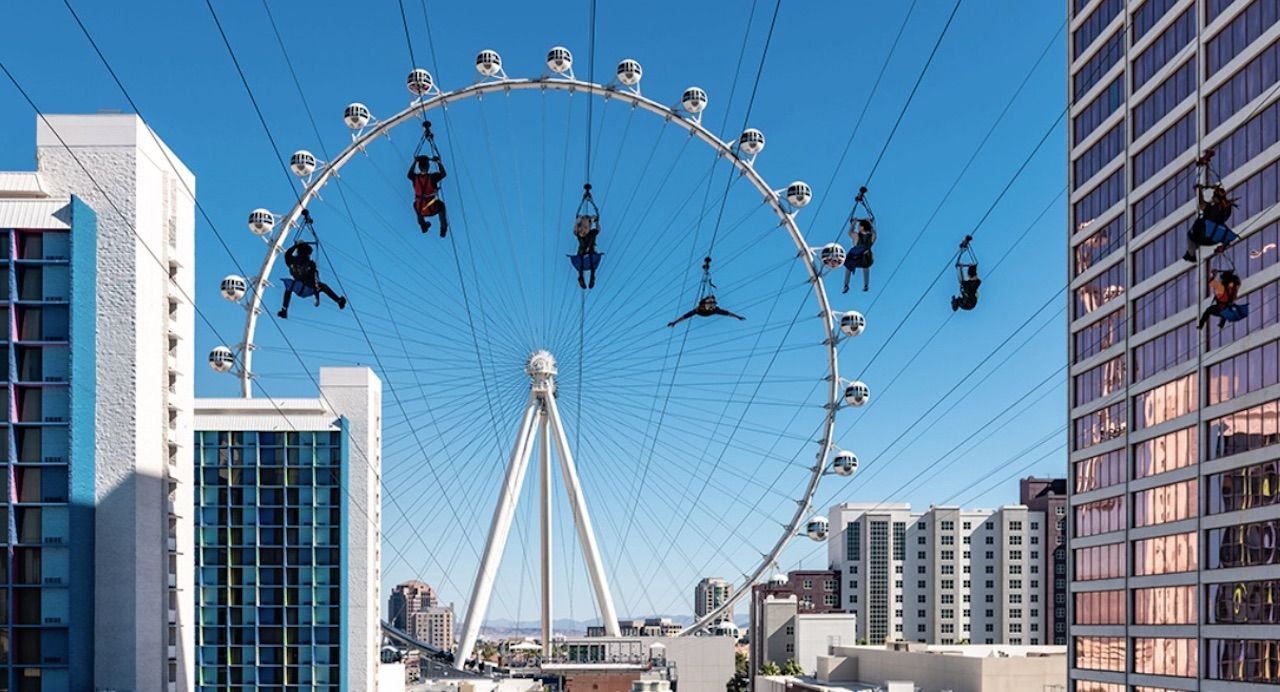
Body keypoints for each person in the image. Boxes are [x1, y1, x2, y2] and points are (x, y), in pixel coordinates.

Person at [278, 240, 346, 319]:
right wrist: (317, 298)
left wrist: (295, 246)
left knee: (289, 286)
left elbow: (287, 254)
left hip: (298, 287)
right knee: (323, 286)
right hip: (308, 289)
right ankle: (338, 301)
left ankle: (284, 309)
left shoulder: (292, 260)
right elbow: (315, 281)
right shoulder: (310, 264)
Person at [1183, 184, 1238, 262]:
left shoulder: (1213, 208)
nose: (1212, 198)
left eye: (1213, 196)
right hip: (1213, 239)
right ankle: (1190, 253)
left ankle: (1191, 255)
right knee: (1194, 241)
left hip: (1205, 235)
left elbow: (1201, 204)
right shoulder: (1225, 208)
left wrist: (1199, 191)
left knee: (1190, 235)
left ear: (1216, 198)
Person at [409, 154, 449, 237]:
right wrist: (438, 161)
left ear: (419, 167)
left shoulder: (415, 178)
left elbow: (409, 174)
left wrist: (415, 161)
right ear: (428, 167)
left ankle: (423, 225)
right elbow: (443, 174)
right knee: (441, 205)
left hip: (421, 210)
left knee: (415, 204)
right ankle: (443, 228)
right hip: (432, 208)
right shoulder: (433, 177)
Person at [667, 294, 746, 327]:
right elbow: (685, 316)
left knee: (716, 309)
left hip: (707, 312)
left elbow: (728, 313)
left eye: (713, 304)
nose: (712, 305)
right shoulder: (698, 310)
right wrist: (675, 322)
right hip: (703, 312)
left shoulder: (715, 309)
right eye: (710, 303)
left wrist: (738, 317)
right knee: (707, 308)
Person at [842, 217, 876, 293]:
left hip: (857, 258)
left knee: (848, 266)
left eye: (859, 226)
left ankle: (846, 284)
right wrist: (870, 223)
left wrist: (853, 223)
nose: (858, 228)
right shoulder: (872, 236)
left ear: (862, 227)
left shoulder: (856, 236)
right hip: (868, 258)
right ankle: (866, 284)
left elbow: (850, 232)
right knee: (866, 267)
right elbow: (874, 232)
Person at [571, 213, 601, 288]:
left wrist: (596, 222)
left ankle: (592, 277)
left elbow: (598, 229)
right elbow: (575, 231)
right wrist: (577, 222)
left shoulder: (592, 233)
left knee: (590, 259)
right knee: (582, 260)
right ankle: (581, 277)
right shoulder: (580, 233)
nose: (586, 228)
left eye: (587, 226)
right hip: (583, 253)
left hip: (590, 253)